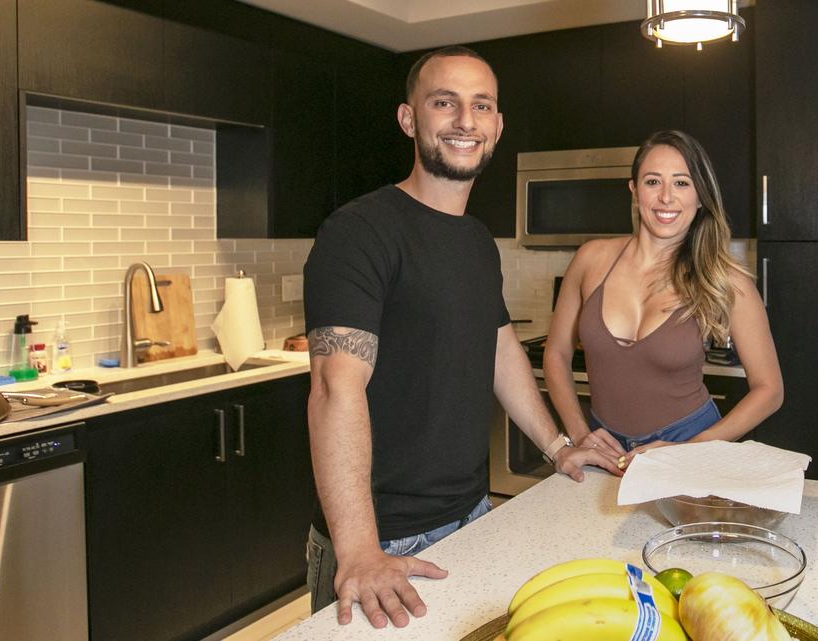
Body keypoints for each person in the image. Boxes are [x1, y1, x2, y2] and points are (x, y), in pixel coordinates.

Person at [302, 46, 622, 630]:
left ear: (497, 125)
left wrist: (557, 447)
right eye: (444, 102)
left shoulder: (476, 241)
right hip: (384, 540)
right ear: (409, 119)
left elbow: (499, 349)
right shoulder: (359, 231)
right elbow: (333, 387)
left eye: (481, 106)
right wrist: (359, 551)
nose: (465, 121)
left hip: (474, 513)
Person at [544, 130, 783, 466]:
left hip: (689, 443)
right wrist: (580, 433)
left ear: (700, 196)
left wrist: (690, 449)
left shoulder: (726, 278)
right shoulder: (590, 260)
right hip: (604, 448)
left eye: (682, 183)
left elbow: (769, 390)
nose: (666, 197)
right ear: (634, 189)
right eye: (653, 182)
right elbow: (555, 354)